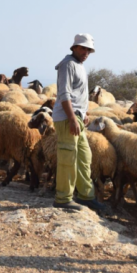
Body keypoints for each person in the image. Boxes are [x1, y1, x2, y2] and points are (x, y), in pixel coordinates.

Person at [51, 33, 107, 213]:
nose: (86, 52)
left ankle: (86, 196)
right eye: (83, 48)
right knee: (68, 157)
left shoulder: (79, 65)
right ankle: (63, 198)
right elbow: (64, 94)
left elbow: (78, 94)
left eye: (89, 49)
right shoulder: (68, 65)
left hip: (77, 118)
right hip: (68, 119)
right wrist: (73, 118)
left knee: (84, 156)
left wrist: (83, 114)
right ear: (74, 47)